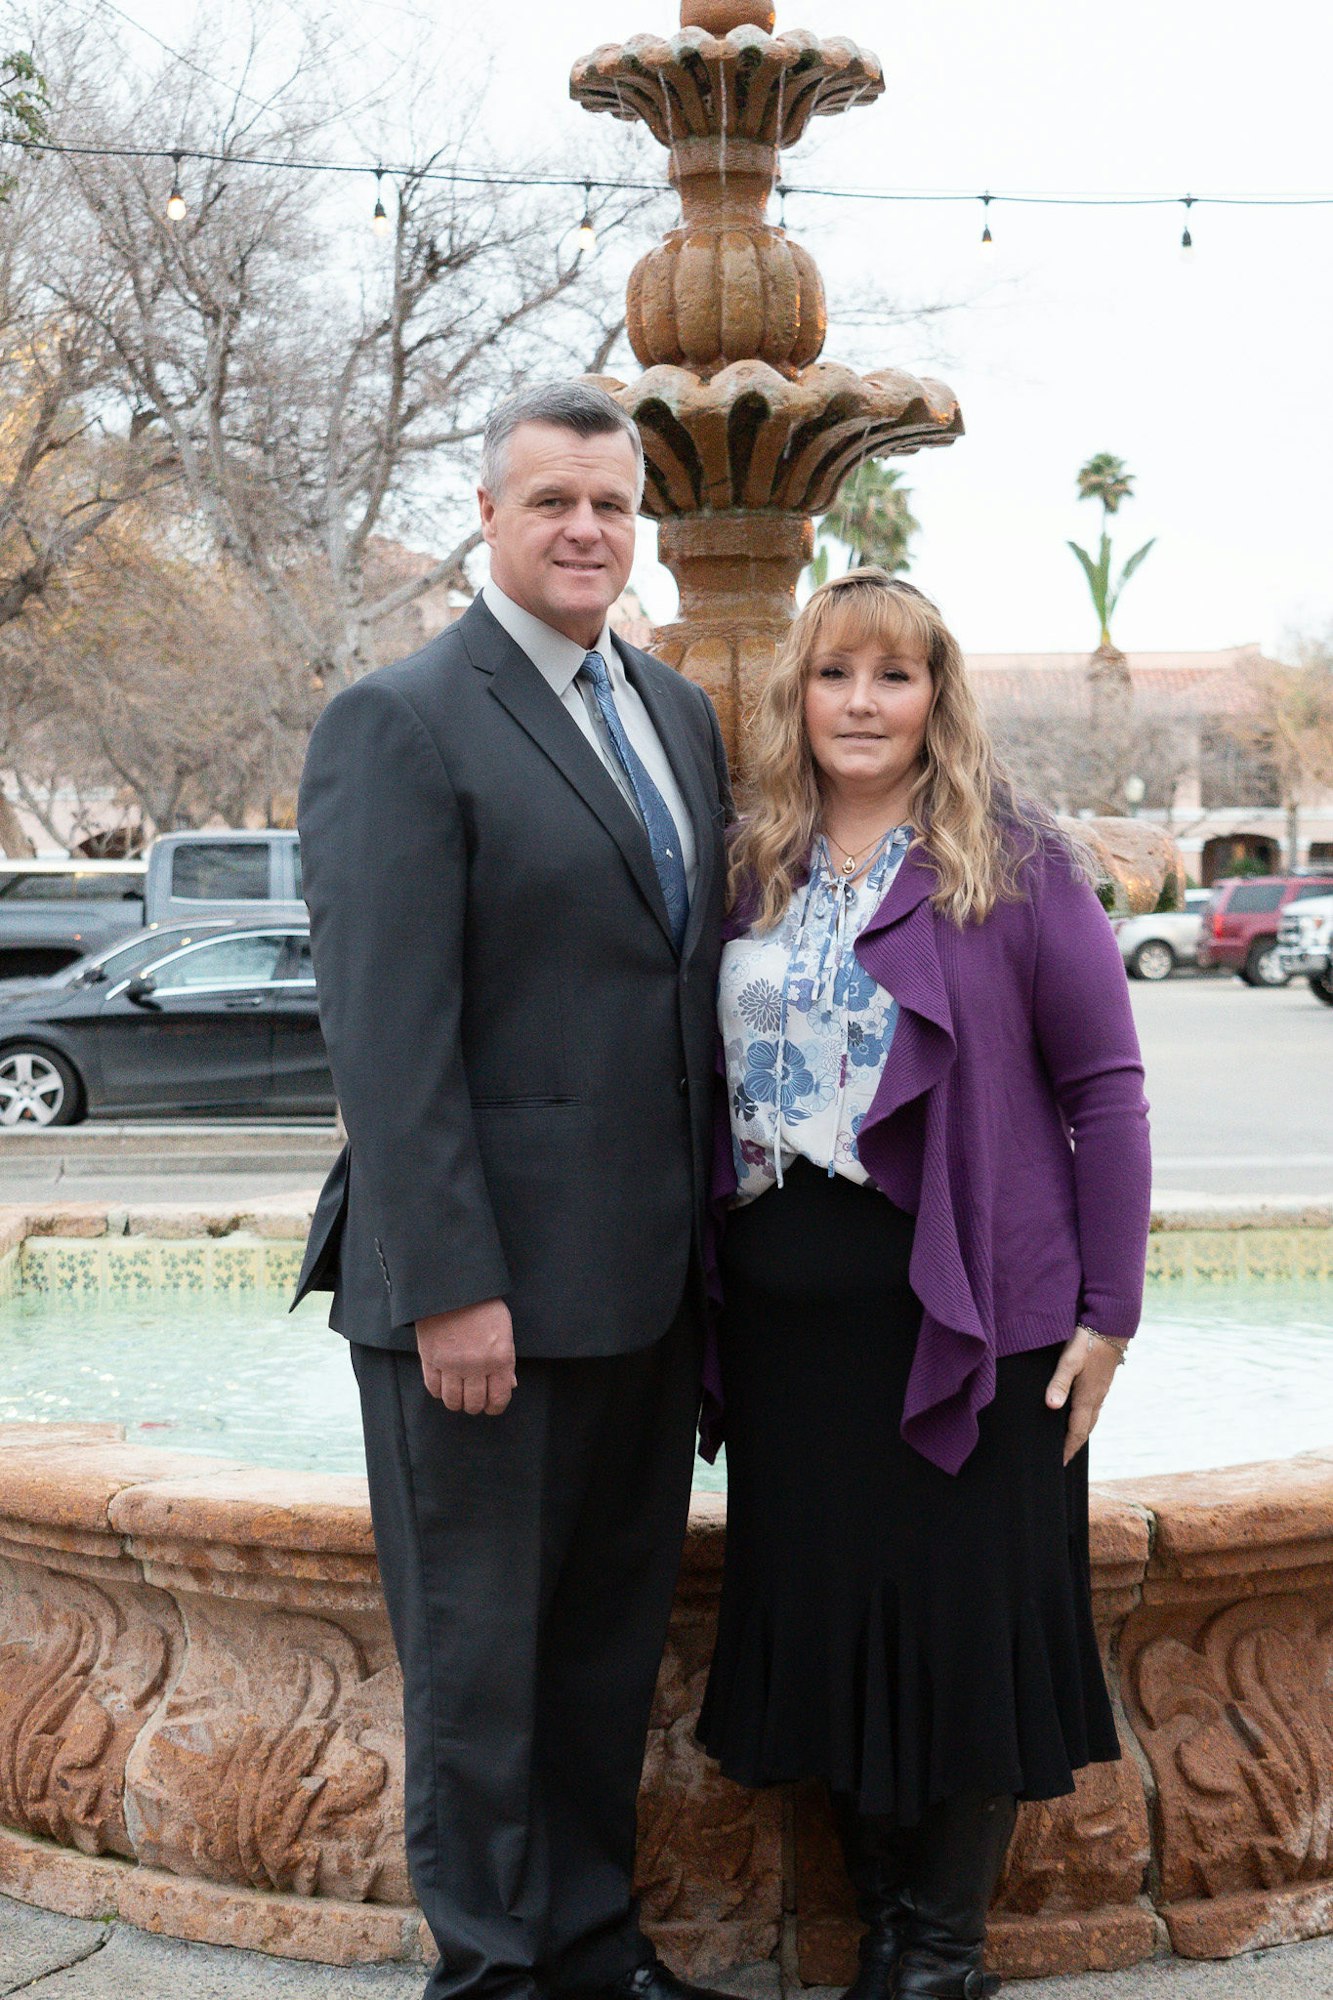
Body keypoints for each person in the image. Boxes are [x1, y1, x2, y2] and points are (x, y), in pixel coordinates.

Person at [294, 381, 733, 2000]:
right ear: (486, 514)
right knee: (480, 1674)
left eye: (611, 504)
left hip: (642, 1289)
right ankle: (489, 1975)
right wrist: (450, 1284)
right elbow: (386, 1041)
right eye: (552, 499)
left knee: (604, 1657)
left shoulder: (675, 715)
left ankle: (592, 1953)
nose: (586, 529)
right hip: (478, 1303)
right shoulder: (399, 719)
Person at [696, 569, 1152, 2000]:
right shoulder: (749, 861)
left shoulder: (1008, 862)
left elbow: (1106, 1090)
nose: (861, 703)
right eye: (835, 675)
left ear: (934, 698)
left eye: (892, 677)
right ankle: (881, 1915)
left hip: (971, 1311)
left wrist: (1109, 1315)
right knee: (829, 1614)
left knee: (964, 1618)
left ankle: (938, 1952)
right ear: (797, 695)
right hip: (785, 1323)